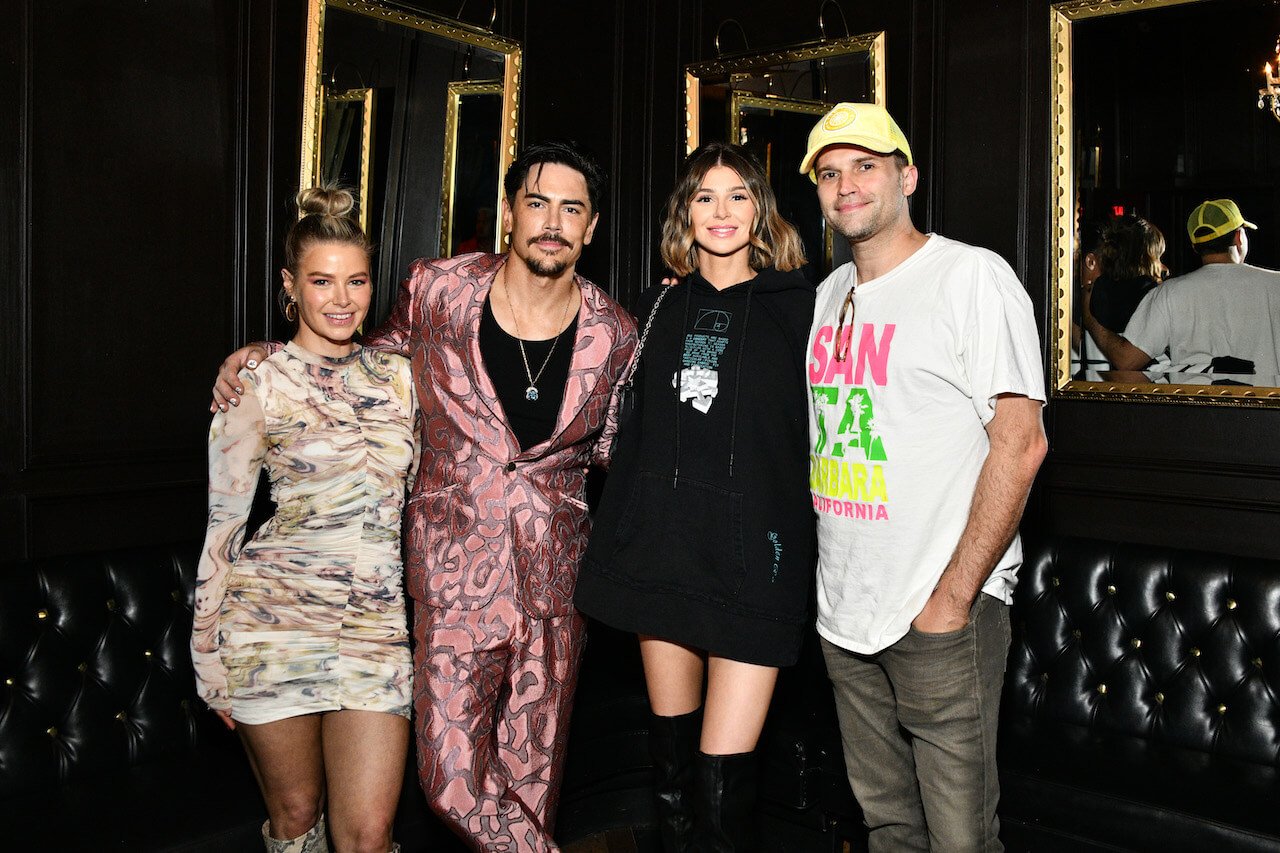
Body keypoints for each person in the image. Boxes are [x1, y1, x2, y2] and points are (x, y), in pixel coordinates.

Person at [210, 141, 637, 852]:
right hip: (451, 579)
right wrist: (265, 356)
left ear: (591, 228)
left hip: (556, 589)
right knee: (449, 780)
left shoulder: (615, 333)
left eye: (572, 208)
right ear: (509, 213)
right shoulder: (437, 290)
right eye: (537, 203)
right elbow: (358, 359)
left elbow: (617, 451)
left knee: (531, 794)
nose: (553, 222)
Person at [800, 102, 1047, 852]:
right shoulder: (828, 293)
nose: (847, 186)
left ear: (908, 175)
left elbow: (1021, 442)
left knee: (961, 840)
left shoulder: (970, 277)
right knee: (889, 829)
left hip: (939, 613)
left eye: (865, 167)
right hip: (845, 613)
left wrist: (951, 600)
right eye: (830, 173)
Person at [575, 142, 816, 851]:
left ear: (761, 210)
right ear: (685, 212)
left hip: (752, 570)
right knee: (674, 781)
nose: (721, 210)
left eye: (738, 194)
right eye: (704, 196)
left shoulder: (802, 306)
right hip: (665, 555)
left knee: (721, 793)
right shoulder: (656, 306)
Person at [193, 187, 416, 853]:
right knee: (296, 820)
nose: (342, 299)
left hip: (376, 625)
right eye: (322, 281)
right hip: (271, 625)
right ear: (291, 285)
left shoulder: (403, 378)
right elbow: (222, 529)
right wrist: (208, 658)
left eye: (356, 280)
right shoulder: (254, 384)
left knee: (368, 834)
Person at [1084, 198, 1280, 377]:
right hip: (1265, 411)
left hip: (1194, 412)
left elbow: (1127, 360)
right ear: (1239, 237)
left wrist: (1089, 314)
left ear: (1195, 246)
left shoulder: (1168, 293)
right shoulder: (1276, 284)